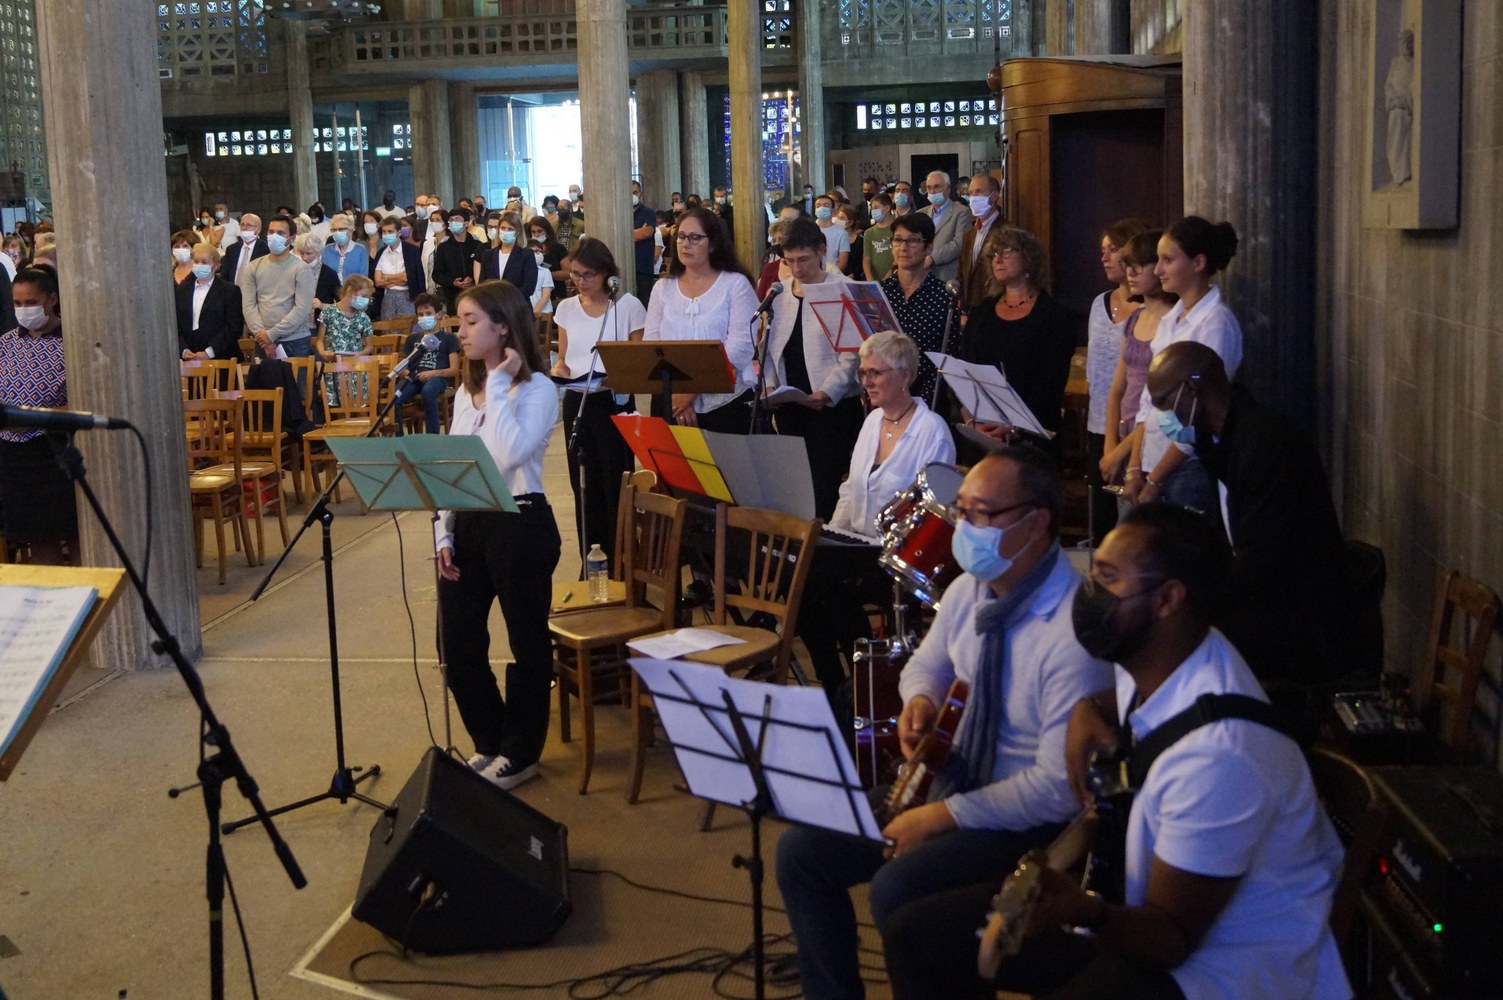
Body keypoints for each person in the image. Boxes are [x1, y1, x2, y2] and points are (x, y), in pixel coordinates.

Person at [884, 503, 1349, 1000]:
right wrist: (1086, 708)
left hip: (1221, 972)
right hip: (1137, 916)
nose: (1088, 593)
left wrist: (1081, 909)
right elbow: (1129, 707)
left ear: (1168, 599)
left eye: (1107, 578)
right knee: (917, 936)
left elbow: (1170, 940)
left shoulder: (1220, 757)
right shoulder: (1166, 655)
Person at [776, 447, 1111, 1000]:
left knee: (896, 890)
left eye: (982, 514)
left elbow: (1056, 789)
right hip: (951, 778)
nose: (964, 528)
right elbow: (927, 666)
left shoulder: (1072, 632)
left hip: (1025, 818)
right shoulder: (969, 590)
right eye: (962, 511)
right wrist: (921, 702)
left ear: (1036, 523)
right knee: (801, 854)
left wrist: (939, 817)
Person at [1145, 341, 1360, 691]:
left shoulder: (1265, 443)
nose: (1162, 416)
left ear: (1192, 389)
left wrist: (1194, 595)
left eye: (1163, 402)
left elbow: (1262, 560)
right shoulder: (1217, 440)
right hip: (1264, 595)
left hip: (1301, 614)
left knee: (1179, 640)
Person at [435, 280, 562, 791]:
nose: (461, 332)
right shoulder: (465, 395)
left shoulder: (537, 389)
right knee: (458, 642)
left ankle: (521, 752)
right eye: (459, 322)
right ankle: (490, 741)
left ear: (504, 327)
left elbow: (510, 454)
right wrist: (443, 535)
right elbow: (452, 467)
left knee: (526, 642)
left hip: (520, 521)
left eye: (471, 322)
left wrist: (501, 384)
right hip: (469, 521)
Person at [796, 330, 955, 701]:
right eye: (863, 373)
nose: (866, 381)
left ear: (905, 376)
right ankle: (836, 686)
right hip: (858, 544)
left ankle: (862, 685)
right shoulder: (871, 422)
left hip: (897, 555)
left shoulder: (932, 431)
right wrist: (832, 535)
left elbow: (933, 511)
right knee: (800, 584)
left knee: (834, 592)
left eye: (875, 373)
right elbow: (851, 489)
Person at [1124, 217, 1242, 514]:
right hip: (1152, 460)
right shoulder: (1171, 318)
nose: (1158, 270)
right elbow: (1149, 399)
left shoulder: (1215, 323)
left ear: (1198, 262)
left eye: (1168, 260)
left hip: (1188, 466)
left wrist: (1157, 479)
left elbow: (1200, 413)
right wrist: (1135, 466)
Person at [551, 239, 646, 570]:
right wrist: (559, 371)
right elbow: (564, 358)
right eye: (575, 274)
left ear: (606, 273)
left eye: (588, 274)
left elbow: (640, 361)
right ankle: (591, 560)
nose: (581, 281)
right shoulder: (566, 308)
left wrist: (619, 376)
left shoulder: (628, 306)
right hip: (578, 399)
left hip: (613, 400)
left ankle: (622, 559)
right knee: (584, 483)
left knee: (615, 481)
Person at [760, 218, 864, 519]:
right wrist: (770, 386)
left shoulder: (843, 289)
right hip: (790, 407)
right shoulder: (779, 294)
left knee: (824, 491)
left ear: (821, 251)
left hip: (832, 409)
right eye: (789, 260)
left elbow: (852, 353)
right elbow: (769, 348)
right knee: (795, 490)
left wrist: (827, 392)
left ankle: (822, 545)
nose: (796, 268)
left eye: (803, 259)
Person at [641, 207, 759, 432]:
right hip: (670, 399)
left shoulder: (735, 284)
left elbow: (740, 348)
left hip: (723, 403)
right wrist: (678, 393)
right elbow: (652, 345)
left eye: (695, 237)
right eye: (681, 236)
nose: (685, 244)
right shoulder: (663, 287)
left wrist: (691, 392)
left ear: (713, 244)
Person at [958, 226, 1076, 450]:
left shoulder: (1053, 316)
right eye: (993, 254)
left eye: (1006, 251)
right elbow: (965, 367)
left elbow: (1051, 383)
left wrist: (1014, 426)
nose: (998, 259)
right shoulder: (982, 311)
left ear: (1028, 259)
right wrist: (970, 418)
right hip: (983, 431)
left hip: (1032, 437)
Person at [0, 265, 77, 564]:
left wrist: (36, 416)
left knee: (75, 534)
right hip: (14, 455)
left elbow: (88, 401)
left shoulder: (72, 342)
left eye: (31, 302)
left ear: (52, 299)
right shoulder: (6, 343)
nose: (24, 309)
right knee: (38, 537)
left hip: (55, 450)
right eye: (17, 303)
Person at [1078, 218, 1150, 539]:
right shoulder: (1100, 303)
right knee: (1101, 524)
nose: (1104, 257)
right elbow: (1096, 370)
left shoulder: (1150, 310)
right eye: (1102, 250)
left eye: (1113, 249)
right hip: (1100, 424)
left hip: (1136, 428)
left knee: (1131, 529)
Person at [1101, 231, 1173, 498]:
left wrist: (1122, 452)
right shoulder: (1136, 317)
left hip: (1154, 438)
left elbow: (1159, 405)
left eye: (1140, 265)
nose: (1130, 273)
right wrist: (1110, 444)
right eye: (1128, 265)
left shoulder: (1173, 322)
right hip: (1124, 432)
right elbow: (1117, 389)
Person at [880, 212, 956, 405]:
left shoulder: (944, 295)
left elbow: (949, 355)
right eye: (898, 240)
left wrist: (924, 400)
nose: (903, 247)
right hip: (884, 392)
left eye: (913, 241)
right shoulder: (881, 292)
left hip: (929, 397)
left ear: (928, 247)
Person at [244, 216, 315, 358]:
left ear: (292, 238)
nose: (274, 236)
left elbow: (302, 309)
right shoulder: (253, 267)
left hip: (295, 341)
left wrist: (271, 334)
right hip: (262, 340)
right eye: (271, 232)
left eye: (281, 233)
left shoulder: (302, 269)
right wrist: (262, 335)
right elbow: (248, 306)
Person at [393, 293, 458, 435]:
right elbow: (403, 366)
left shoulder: (449, 338)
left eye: (428, 313)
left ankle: (432, 437)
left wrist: (432, 373)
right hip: (413, 379)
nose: (424, 317)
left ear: (438, 314)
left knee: (428, 392)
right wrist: (407, 373)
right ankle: (399, 438)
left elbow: (454, 369)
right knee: (393, 397)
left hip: (437, 378)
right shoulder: (412, 339)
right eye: (420, 314)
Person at [176, 242, 243, 363]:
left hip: (221, 357)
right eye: (196, 261)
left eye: (204, 262)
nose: (199, 265)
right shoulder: (182, 291)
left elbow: (234, 327)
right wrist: (183, 350)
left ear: (216, 265)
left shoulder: (230, 291)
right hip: (189, 357)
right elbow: (176, 325)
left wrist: (209, 352)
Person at [316, 274, 375, 410]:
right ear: (350, 291)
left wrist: (358, 355)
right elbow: (319, 340)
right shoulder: (328, 312)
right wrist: (322, 352)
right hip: (334, 367)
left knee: (360, 406)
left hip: (355, 369)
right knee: (337, 408)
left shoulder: (363, 318)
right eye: (364, 296)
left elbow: (369, 347)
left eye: (368, 298)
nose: (366, 300)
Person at [955, 173, 1003, 311]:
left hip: (994, 307)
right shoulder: (969, 234)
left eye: (978, 192)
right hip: (970, 309)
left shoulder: (1005, 231)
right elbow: (962, 272)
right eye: (970, 193)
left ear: (994, 196)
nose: (973, 198)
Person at [919, 170, 972, 284]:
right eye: (929, 187)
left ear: (948, 188)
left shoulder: (961, 212)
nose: (932, 191)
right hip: (922, 276)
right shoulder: (920, 213)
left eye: (937, 187)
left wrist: (933, 258)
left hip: (947, 277)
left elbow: (959, 243)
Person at [473, 211, 539, 298]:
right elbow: (483, 284)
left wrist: (506, 299)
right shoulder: (488, 255)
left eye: (510, 229)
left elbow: (529, 287)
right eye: (503, 228)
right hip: (492, 303)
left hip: (517, 303)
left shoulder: (526, 255)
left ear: (518, 231)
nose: (506, 231)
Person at [432, 208, 482, 312]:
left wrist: (472, 279)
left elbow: (484, 270)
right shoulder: (443, 247)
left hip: (475, 296)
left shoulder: (477, 245)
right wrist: (452, 282)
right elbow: (437, 274)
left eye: (457, 219)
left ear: (466, 223)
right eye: (451, 220)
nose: (454, 222)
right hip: (452, 298)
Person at [219, 212, 267, 288]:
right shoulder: (232, 249)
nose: (244, 228)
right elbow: (224, 276)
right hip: (233, 292)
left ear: (258, 229)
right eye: (242, 224)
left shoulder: (266, 250)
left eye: (249, 225)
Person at [630, 180, 657, 303]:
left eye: (635, 192)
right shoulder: (620, 214)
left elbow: (647, 233)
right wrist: (637, 232)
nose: (632, 196)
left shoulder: (648, 212)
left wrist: (625, 234)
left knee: (644, 302)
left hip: (643, 266)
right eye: (629, 193)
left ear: (640, 193)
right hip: (625, 266)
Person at [322, 213, 369, 284]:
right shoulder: (327, 250)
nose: (337, 232)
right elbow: (323, 276)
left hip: (354, 289)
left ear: (350, 231)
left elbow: (363, 277)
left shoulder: (360, 250)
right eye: (334, 230)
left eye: (341, 229)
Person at [862, 192, 896, 282]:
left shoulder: (897, 229)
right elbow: (866, 259)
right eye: (872, 208)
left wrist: (890, 273)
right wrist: (869, 279)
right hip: (875, 279)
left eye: (876, 207)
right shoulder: (869, 232)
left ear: (887, 208)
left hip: (895, 277)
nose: (873, 211)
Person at [813, 194, 850, 272]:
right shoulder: (808, 230)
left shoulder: (842, 233)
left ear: (833, 210)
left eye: (826, 205)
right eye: (818, 206)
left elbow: (842, 263)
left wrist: (829, 275)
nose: (821, 208)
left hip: (833, 274)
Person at [836, 205, 864, 280]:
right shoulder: (835, 238)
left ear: (850, 222)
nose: (838, 220)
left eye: (842, 218)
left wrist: (852, 275)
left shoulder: (860, 241)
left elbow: (859, 264)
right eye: (838, 217)